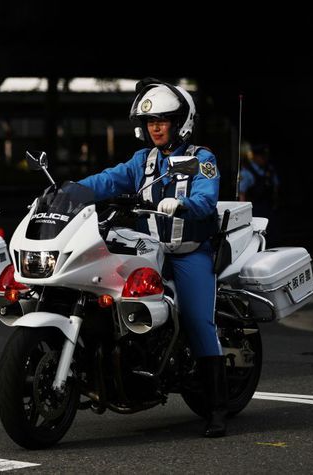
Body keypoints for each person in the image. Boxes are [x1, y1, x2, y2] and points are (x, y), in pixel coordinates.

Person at [78, 78, 227, 438]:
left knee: (196, 319)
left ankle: (217, 409)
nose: (155, 127)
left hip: (188, 253)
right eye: (149, 122)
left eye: (162, 120)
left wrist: (183, 205)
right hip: (149, 251)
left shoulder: (201, 159)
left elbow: (207, 199)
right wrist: (71, 190)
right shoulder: (142, 160)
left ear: (180, 123)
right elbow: (109, 180)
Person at [238, 143, 280, 246]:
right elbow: (242, 194)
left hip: (269, 208)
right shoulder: (247, 172)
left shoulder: (268, 169)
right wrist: (243, 214)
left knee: (272, 237)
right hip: (255, 209)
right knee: (258, 239)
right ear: (255, 156)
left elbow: (275, 187)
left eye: (265, 156)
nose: (264, 158)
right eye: (262, 156)